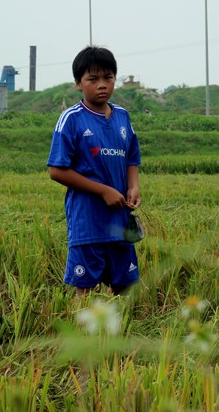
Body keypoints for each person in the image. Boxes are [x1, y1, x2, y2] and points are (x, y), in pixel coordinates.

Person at [47, 46, 142, 296]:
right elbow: (56, 170)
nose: (102, 85)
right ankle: (84, 335)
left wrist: (133, 186)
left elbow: (132, 158)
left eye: (108, 78)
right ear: (79, 83)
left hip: (120, 222)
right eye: (93, 79)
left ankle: (119, 334)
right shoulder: (71, 119)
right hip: (87, 222)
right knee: (84, 293)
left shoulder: (123, 117)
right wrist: (103, 191)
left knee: (125, 290)